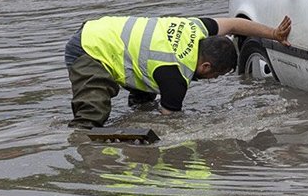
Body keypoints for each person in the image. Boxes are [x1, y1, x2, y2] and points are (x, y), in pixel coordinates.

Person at [64, 14, 291, 128]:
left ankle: (137, 107)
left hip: (104, 29)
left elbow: (233, 24)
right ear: (205, 67)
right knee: (92, 114)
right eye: (216, 76)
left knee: (145, 101)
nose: (212, 80)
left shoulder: (199, 27)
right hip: (89, 48)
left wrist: (274, 34)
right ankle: (81, 155)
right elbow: (169, 123)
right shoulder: (175, 78)